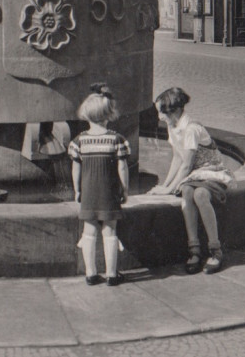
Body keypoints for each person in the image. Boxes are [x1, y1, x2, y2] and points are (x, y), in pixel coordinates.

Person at [148, 87, 234, 274]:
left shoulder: (191, 129)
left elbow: (186, 165)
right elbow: (177, 158)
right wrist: (165, 185)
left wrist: (168, 190)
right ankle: (194, 249)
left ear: (175, 111)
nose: (160, 117)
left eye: (162, 112)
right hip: (195, 174)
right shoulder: (173, 127)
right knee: (187, 192)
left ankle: (215, 250)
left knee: (201, 195)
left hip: (211, 171)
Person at [68, 83, 130, 286]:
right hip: (109, 192)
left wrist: (77, 189)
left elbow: (75, 168)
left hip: (89, 193)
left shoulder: (79, 141)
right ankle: (112, 274)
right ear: (108, 115)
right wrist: (125, 189)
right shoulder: (116, 139)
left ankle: (91, 273)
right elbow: (122, 168)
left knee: (89, 231)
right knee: (110, 231)